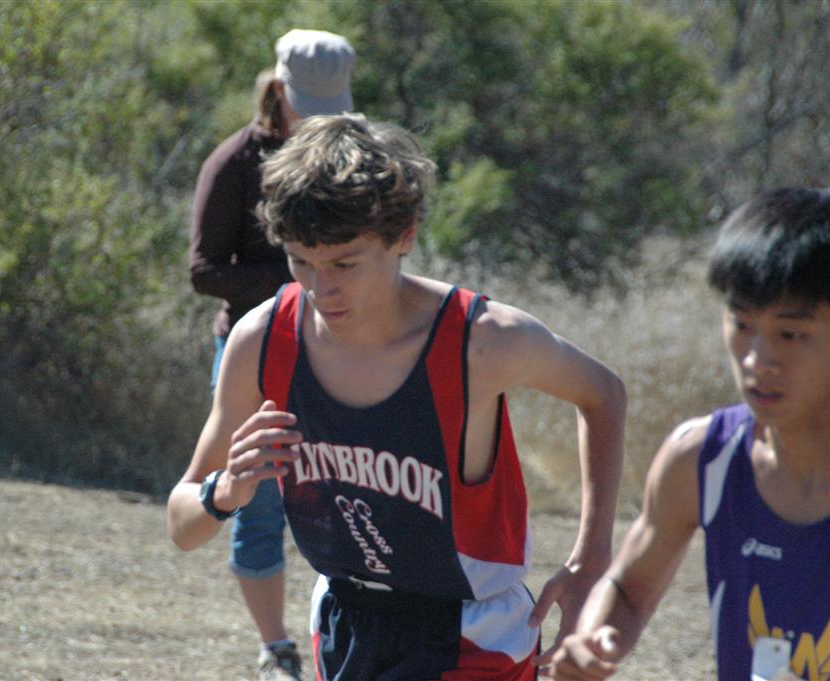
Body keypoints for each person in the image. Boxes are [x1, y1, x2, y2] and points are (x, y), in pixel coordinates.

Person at [170, 113, 627, 680]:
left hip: (472, 633)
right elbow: (182, 523)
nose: (320, 288)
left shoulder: (482, 340)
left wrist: (591, 560)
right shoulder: (263, 340)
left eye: (344, 263)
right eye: (300, 261)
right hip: (345, 622)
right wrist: (225, 492)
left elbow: (603, 394)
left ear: (404, 235)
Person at [537, 188, 830, 681]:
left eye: (791, 334)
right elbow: (628, 590)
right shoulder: (703, 458)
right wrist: (595, 639)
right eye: (742, 324)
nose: (757, 359)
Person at [188, 29, 356, 681]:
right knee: (256, 505)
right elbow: (204, 270)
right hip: (254, 350)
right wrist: (298, 281)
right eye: (306, 105)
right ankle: (277, 649)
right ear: (279, 90)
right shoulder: (234, 162)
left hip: (340, 345)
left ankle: (349, 635)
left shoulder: (351, 155)